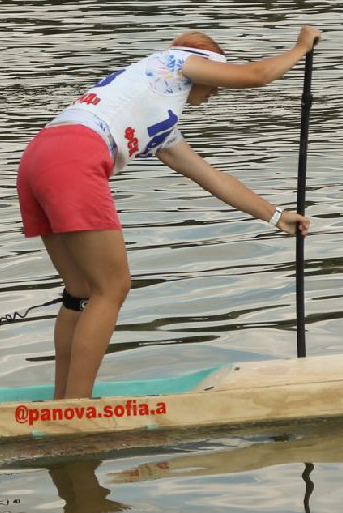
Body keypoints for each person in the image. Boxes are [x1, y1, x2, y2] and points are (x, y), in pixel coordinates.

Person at [17, 26, 321, 400]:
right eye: (215, 81)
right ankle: (77, 409)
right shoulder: (174, 61)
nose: (217, 91)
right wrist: (300, 48)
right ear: (207, 65)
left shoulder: (159, 118)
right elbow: (256, 75)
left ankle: (62, 402)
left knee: (81, 292)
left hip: (38, 156)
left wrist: (276, 216)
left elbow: (213, 178)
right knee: (112, 289)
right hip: (77, 156)